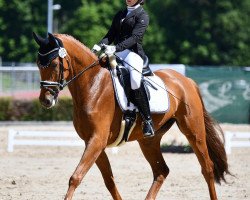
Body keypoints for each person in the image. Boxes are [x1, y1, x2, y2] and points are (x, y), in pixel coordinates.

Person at [92, 0, 154, 138]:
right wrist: (99, 45)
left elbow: (135, 37)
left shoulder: (142, 15)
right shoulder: (120, 13)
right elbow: (111, 34)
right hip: (115, 52)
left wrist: (116, 47)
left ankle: (148, 120)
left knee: (135, 81)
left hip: (132, 54)